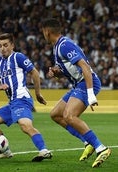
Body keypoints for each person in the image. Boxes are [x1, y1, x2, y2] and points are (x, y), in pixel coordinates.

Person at [41, 18, 111, 168]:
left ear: (47, 31)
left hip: (86, 82)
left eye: (43, 32)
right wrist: (56, 72)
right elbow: (68, 71)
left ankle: (101, 148)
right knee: (56, 114)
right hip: (78, 84)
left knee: (69, 116)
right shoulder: (57, 47)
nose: (43, 35)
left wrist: (91, 94)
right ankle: (88, 143)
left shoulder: (65, 45)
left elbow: (85, 67)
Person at [0, 33, 52, 162]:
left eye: (5, 45)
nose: (2, 48)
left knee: (25, 125)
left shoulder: (18, 57)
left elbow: (35, 73)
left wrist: (38, 94)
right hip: (12, 103)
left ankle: (44, 150)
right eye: (0, 46)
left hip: (22, 99)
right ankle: (5, 152)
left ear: (12, 45)